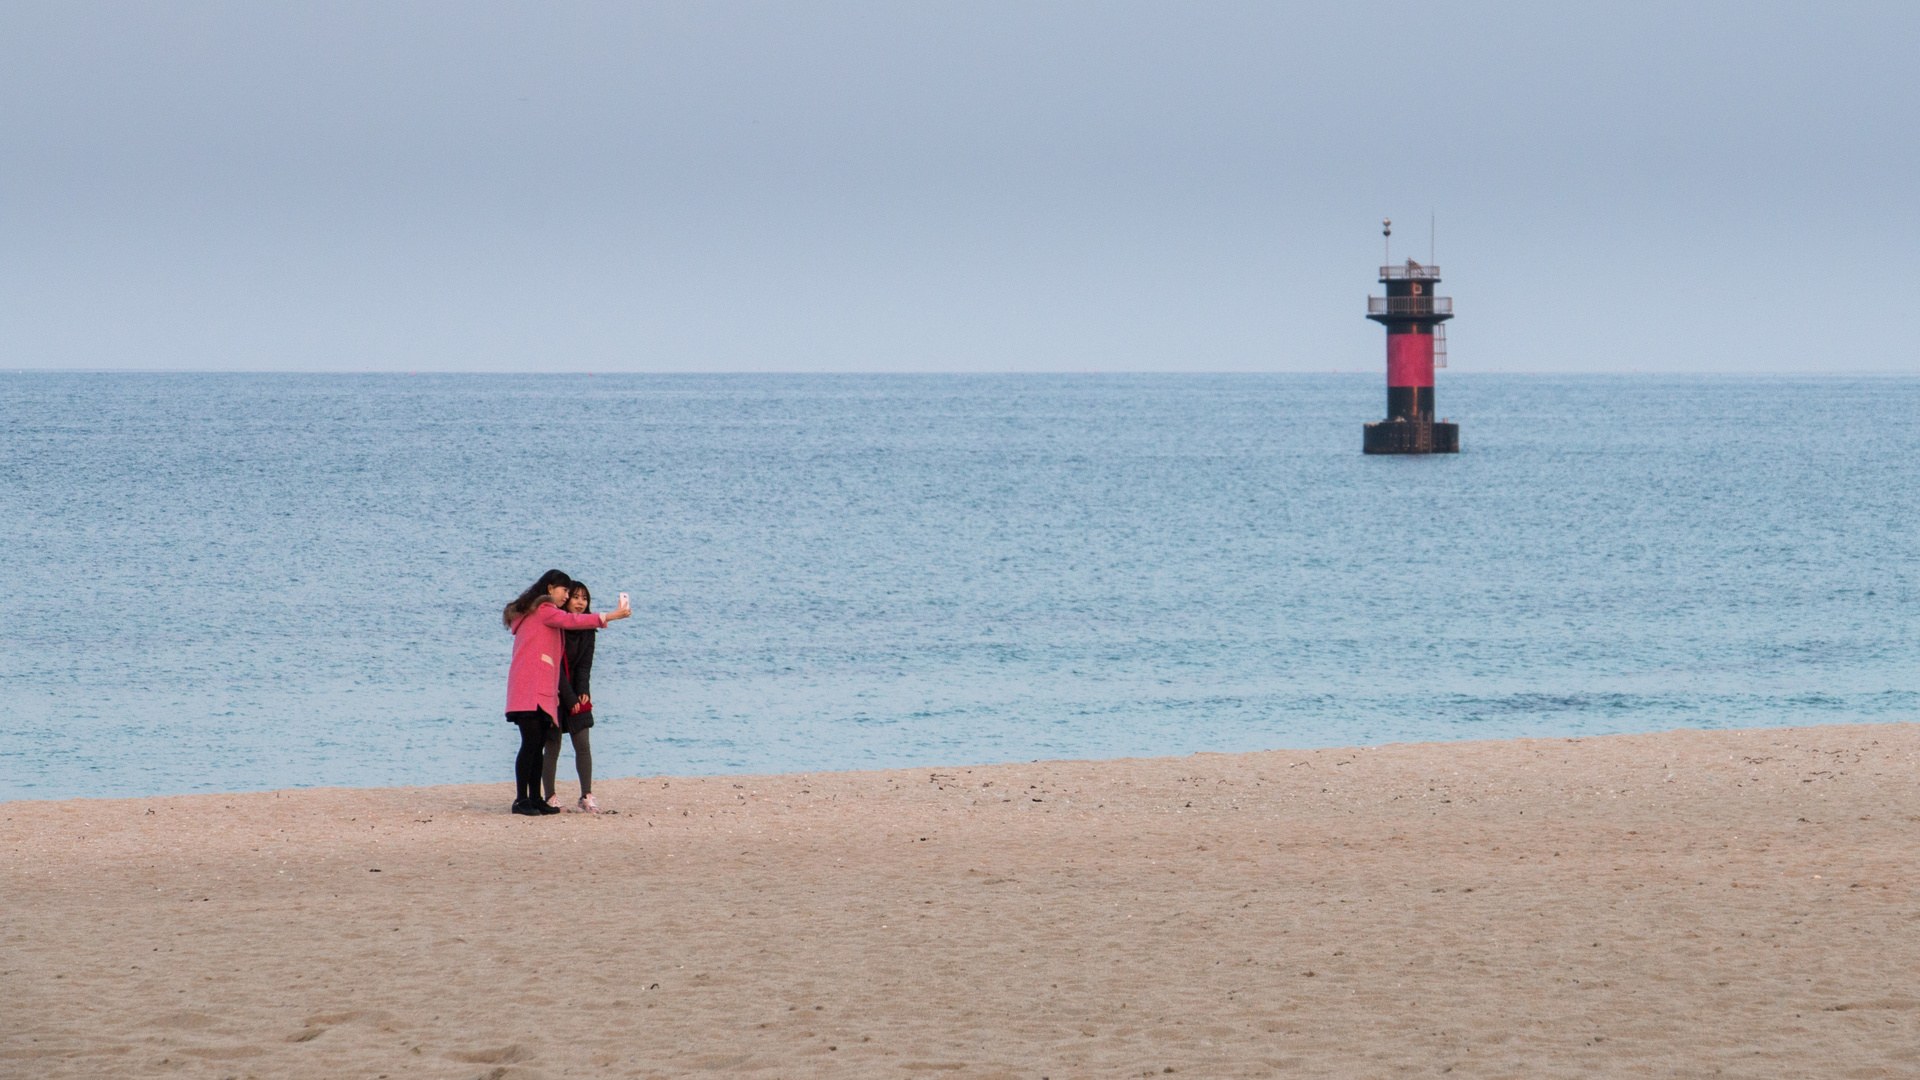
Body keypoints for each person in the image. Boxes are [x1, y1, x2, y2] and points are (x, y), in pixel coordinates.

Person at [502, 570, 630, 816]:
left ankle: (537, 799)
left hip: (538, 690)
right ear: (550, 588)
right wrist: (609, 616)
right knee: (530, 744)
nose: (567, 597)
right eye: (565, 592)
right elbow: (572, 621)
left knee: (537, 743)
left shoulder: (538, 612)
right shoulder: (544, 609)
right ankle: (521, 800)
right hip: (528, 689)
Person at [542, 581, 601, 812]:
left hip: (576, 694)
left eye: (584, 598)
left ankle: (586, 796)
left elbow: (585, 666)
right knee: (553, 746)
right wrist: (569, 698)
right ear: (566, 600)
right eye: (575, 597)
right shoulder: (557, 626)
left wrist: (583, 691)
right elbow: (555, 667)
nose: (580, 602)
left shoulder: (588, 630)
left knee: (583, 745)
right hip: (554, 693)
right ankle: (550, 797)